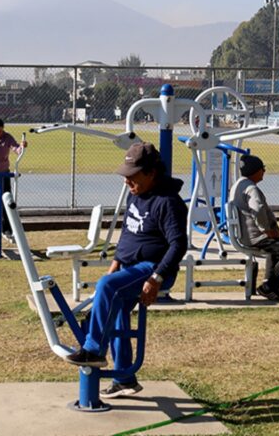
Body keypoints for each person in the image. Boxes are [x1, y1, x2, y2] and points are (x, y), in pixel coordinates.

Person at [64, 143, 187, 398]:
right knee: (114, 306)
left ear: (151, 173)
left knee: (106, 287)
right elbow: (128, 234)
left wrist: (156, 277)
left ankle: (93, 350)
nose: (127, 182)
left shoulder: (168, 202)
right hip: (130, 267)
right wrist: (116, 264)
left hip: (152, 268)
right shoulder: (135, 195)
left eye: (132, 177)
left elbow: (178, 244)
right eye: (125, 176)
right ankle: (124, 377)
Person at [230, 155, 279, 301]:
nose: (264, 171)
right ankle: (268, 287)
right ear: (255, 170)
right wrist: (267, 230)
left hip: (246, 235)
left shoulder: (238, 185)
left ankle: (269, 284)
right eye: (262, 168)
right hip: (257, 237)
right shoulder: (251, 188)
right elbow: (258, 209)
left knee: (277, 251)